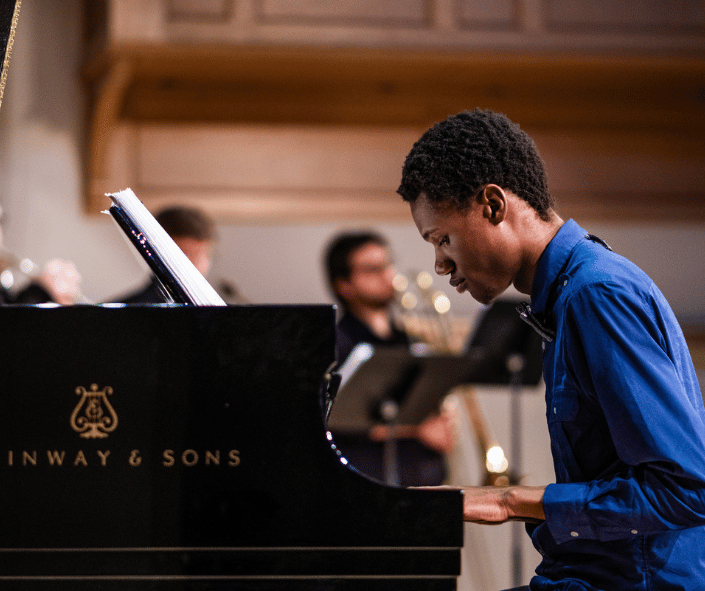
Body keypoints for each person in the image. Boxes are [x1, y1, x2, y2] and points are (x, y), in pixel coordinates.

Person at [397, 108, 705, 590]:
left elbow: (686, 490)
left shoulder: (594, 294)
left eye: (443, 239)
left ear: (493, 206)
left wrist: (507, 501)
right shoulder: (571, 293)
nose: (439, 263)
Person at [324, 231, 454, 487]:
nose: (387, 276)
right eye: (372, 269)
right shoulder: (336, 345)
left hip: (424, 483)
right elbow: (339, 420)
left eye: (388, 264)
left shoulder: (412, 340)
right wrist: (419, 429)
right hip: (370, 486)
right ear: (344, 285)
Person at [110, 205, 244, 304]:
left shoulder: (227, 315)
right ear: (151, 254)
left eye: (201, 255)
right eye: (183, 256)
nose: (193, 265)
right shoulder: (116, 314)